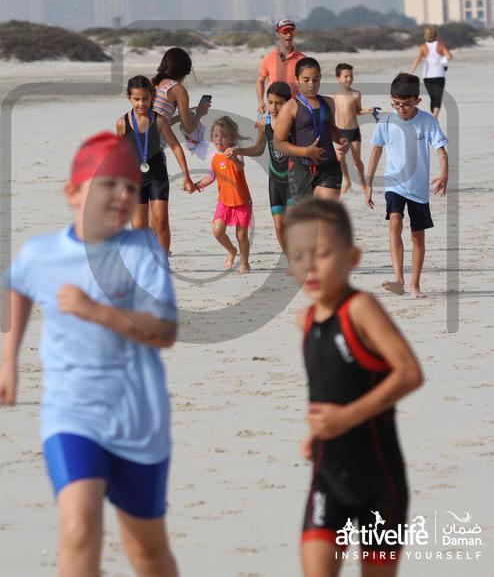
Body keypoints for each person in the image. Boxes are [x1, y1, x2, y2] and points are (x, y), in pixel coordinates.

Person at [0, 132, 179, 577]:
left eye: (130, 186)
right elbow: (17, 286)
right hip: (71, 413)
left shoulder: (144, 252)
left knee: (147, 550)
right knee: (78, 529)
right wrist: (8, 363)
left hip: (138, 418)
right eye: (108, 183)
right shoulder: (42, 254)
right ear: (73, 193)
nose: (123, 195)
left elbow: (165, 331)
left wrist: (98, 312)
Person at [284, 197, 423, 577]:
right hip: (327, 478)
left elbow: (409, 373)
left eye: (322, 254)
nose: (310, 265)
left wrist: (344, 419)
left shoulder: (361, 309)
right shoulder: (305, 320)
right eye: (298, 256)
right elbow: (329, 388)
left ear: (352, 257)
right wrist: (316, 435)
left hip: (380, 483)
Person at [365, 73, 448, 298]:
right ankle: (399, 279)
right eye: (396, 104)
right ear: (391, 99)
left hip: (419, 189)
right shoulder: (386, 121)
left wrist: (443, 175)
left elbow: (441, 151)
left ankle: (414, 285)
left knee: (417, 236)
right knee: (395, 223)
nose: (401, 108)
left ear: (417, 101)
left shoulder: (427, 121)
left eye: (407, 104)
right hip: (395, 183)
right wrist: (368, 183)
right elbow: (376, 150)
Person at [116, 75, 194, 255]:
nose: (141, 103)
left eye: (145, 99)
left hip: (157, 176)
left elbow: (175, 146)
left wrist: (186, 175)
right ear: (129, 98)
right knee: (139, 228)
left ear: (152, 96)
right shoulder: (122, 123)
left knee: (161, 222)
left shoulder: (159, 120)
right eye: (136, 99)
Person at [226, 81, 292, 252]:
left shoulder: (295, 122)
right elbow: (258, 149)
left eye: (279, 103)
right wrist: (238, 150)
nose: (274, 107)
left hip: (294, 180)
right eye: (270, 102)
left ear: (288, 103)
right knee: (279, 226)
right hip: (275, 180)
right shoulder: (264, 123)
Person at [274, 57, 348, 202]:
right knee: (307, 215)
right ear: (296, 80)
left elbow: (331, 128)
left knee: (326, 212)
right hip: (301, 169)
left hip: (329, 167)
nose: (311, 85)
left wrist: (342, 140)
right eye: (306, 80)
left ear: (320, 78)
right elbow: (278, 143)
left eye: (315, 79)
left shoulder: (328, 102)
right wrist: (306, 152)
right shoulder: (290, 107)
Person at [190, 116, 252, 274]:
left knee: (242, 236)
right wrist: (196, 186)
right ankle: (232, 250)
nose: (219, 139)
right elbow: (210, 177)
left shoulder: (236, 151)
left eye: (223, 136)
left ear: (231, 137)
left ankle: (244, 262)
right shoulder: (213, 156)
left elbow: (240, 167)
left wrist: (234, 158)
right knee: (217, 230)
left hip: (242, 201)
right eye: (216, 135)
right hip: (224, 202)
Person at [331, 63, 374, 194]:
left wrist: (367, 110)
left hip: (354, 131)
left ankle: (363, 183)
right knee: (340, 158)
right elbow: (331, 115)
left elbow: (358, 110)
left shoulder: (356, 94)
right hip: (340, 132)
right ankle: (347, 181)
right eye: (346, 76)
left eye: (351, 76)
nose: (349, 78)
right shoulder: (334, 96)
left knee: (356, 160)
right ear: (338, 78)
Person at [152, 46, 211, 134]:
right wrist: (199, 113)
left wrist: (177, 118)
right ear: (185, 71)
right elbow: (189, 129)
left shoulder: (152, 82)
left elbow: (155, 124)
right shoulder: (178, 90)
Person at [256, 19, 306, 112]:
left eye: (291, 31)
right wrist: (261, 102)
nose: (289, 35)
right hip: (275, 109)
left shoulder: (302, 59)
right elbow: (260, 81)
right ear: (278, 33)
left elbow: (307, 84)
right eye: (285, 31)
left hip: (296, 109)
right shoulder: (268, 58)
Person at [408, 26, 453, 120]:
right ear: (436, 35)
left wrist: (411, 72)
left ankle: (434, 117)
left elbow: (417, 60)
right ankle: (435, 116)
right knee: (438, 97)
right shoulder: (440, 45)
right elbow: (449, 57)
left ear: (426, 35)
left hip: (427, 76)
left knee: (433, 97)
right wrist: (441, 61)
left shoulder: (423, 47)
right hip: (439, 74)